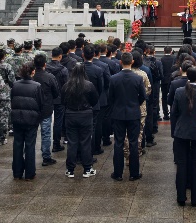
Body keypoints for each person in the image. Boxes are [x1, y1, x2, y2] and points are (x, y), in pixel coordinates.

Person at [170, 65, 196, 207]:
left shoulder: (179, 92)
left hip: (181, 131)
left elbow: (174, 111)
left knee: (181, 164)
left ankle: (181, 196)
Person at [108, 52, 147, 181]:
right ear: (132, 62)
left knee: (118, 143)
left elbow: (110, 97)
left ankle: (118, 173)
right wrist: (135, 104)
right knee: (134, 143)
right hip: (133, 113)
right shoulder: (137, 78)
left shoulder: (114, 78)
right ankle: (134, 173)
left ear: (121, 62)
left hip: (118, 113)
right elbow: (143, 96)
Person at [61, 63, 99, 178]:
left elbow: (63, 100)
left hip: (70, 115)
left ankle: (70, 169)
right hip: (85, 114)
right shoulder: (89, 85)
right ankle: (87, 168)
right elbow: (94, 100)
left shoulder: (67, 85)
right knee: (86, 142)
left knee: (72, 143)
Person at [10, 61, 44, 180]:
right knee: (30, 145)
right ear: (33, 72)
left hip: (17, 118)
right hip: (31, 119)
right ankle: (30, 173)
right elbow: (41, 103)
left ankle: (17, 172)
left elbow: (12, 99)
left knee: (17, 144)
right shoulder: (37, 86)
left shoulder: (15, 85)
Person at [33, 53, 60, 167]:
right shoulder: (49, 77)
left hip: (33, 108)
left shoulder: (31, 76)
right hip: (46, 108)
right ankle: (46, 156)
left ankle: (29, 155)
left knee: (31, 133)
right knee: (46, 133)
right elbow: (56, 92)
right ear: (45, 64)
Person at [46, 48, 68, 152]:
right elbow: (66, 84)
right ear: (60, 56)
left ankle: (46, 145)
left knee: (46, 121)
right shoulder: (63, 69)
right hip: (60, 98)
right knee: (58, 121)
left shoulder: (46, 68)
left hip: (48, 98)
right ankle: (56, 143)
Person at [160, 47, 176, 120]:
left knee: (164, 97)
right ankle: (173, 111)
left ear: (164, 51)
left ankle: (165, 113)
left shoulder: (162, 59)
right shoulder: (174, 58)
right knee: (173, 95)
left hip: (164, 80)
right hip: (172, 79)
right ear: (171, 51)